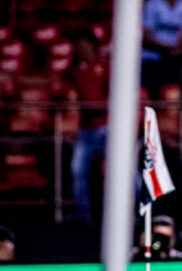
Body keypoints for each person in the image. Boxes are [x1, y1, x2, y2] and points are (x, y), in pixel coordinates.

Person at [69, 30, 108, 224]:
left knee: (122, 171)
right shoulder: (75, 70)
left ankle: (131, 213)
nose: (80, 50)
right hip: (86, 129)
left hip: (109, 128)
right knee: (77, 169)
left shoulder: (107, 66)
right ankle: (83, 215)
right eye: (78, 46)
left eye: (84, 45)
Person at [141, 0, 182, 98]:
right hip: (153, 57)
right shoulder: (153, 4)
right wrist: (167, 48)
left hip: (176, 57)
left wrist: (178, 50)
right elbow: (147, 35)